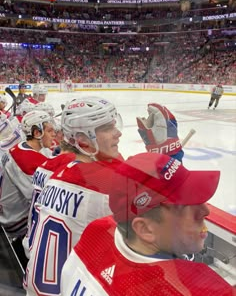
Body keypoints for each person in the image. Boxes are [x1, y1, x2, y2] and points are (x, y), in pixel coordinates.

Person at [60, 152, 235, 296]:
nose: (205, 211)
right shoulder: (204, 290)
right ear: (144, 229)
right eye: (185, 206)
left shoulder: (98, 230)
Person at [24, 96, 124, 296]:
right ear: (82, 139)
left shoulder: (56, 176)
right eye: (107, 128)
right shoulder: (103, 186)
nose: (118, 133)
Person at [0, 110, 56, 243]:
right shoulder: (26, 160)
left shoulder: (19, 148)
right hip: (14, 223)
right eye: (50, 131)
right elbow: (44, 202)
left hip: (6, 214)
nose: (54, 134)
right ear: (37, 133)